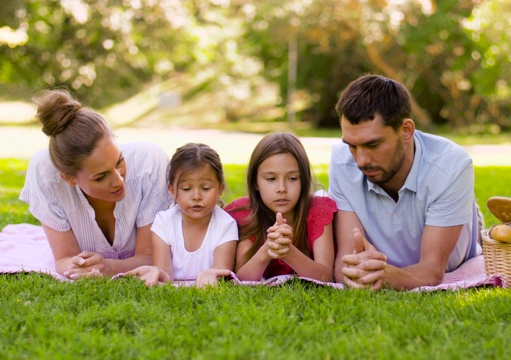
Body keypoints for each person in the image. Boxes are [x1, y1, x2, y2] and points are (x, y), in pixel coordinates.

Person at [329, 74, 482, 291]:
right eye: (352, 146)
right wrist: (357, 273)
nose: (360, 160)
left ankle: (475, 221)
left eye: (373, 144)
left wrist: (381, 275)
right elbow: (344, 262)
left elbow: (432, 271)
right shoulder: (342, 162)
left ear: (406, 131)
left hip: (450, 260)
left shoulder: (451, 165)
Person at [20, 89, 172, 279]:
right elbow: (64, 258)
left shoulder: (149, 163)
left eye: (119, 161)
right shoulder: (45, 174)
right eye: (101, 177)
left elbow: (151, 258)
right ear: (68, 178)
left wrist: (109, 267)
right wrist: (78, 265)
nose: (119, 181)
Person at [224, 132, 336, 282]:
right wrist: (267, 250)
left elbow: (326, 277)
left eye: (292, 178)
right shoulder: (245, 214)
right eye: (271, 179)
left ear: (303, 180)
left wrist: (288, 252)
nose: (282, 188)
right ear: (255, 182)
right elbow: (242, 279)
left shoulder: (318, 211)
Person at [126, 143, 238, 287]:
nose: (196, 196)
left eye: (205, 188)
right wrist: (157, 274)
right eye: (186, 188)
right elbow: (165, 278)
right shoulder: (163, 223)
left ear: (220, 189)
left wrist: (210, 276)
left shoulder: (226, 225)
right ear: (172, 190)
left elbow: (220, 276)